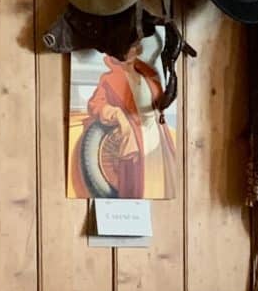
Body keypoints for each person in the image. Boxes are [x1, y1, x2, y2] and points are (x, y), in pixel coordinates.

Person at [71, 39, 178, 199]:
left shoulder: (149, 74)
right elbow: (95, 104)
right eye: (124, 48)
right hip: (133, 135)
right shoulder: (108, 79)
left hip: (157, 135)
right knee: (136, 185)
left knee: (163, 183)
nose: (129, 52)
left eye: (133, 47)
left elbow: (161, 102)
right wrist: (118, 115)